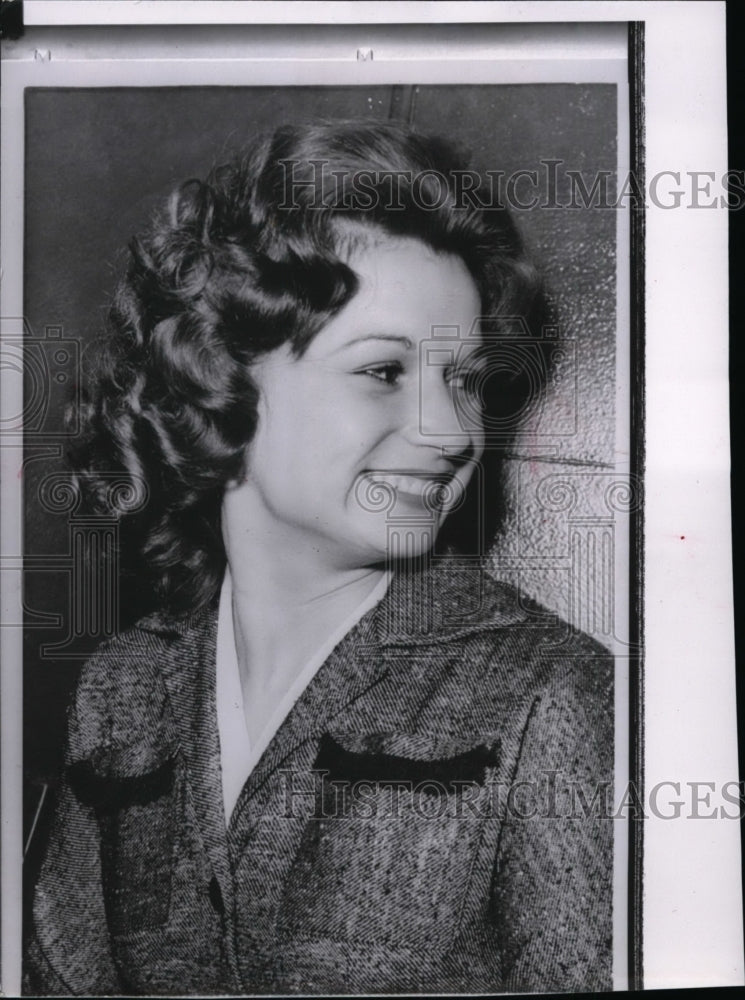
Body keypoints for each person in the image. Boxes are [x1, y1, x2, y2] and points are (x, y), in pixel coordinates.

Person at [24, 120, 613, 995]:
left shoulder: (547, 694)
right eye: (382, 371)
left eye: (463, 379)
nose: (451, 431)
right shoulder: (120, 689)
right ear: (216, 376)